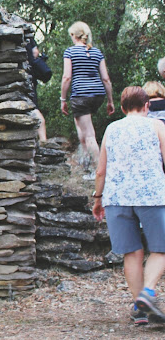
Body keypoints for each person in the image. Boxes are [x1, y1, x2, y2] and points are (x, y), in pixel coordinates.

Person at [92, 86, 165, 326]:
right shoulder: (156, 126)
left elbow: (101, 170)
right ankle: (147, 293)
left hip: (117, 198)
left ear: (122, 108)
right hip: (152, 196)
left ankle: (139, 310)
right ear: (147, 106)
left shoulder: (112, 129)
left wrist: (97, 198)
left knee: (132, 252)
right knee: (161, 249)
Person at [60, 21, 114, 179]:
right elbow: (106, 79)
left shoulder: (70, 52)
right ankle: (86, 164)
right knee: (81, 128)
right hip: (97, 94)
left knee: (89, 134)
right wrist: (110, 101)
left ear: (73, 35)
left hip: (81, 95)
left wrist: (63, 98)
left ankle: (99, 172)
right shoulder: (97, 52)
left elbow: (67, 77)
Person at [26, 39, 50, 142]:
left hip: (21, 79)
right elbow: (35, 52)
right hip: (29, 80)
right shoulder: (29, 37)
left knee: (32, 110)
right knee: (34, 109)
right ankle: (43, 140)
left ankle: (42, 141)